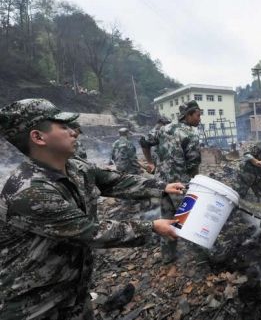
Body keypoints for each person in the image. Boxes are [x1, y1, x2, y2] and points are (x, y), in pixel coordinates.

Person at [0, 98, 186, 320]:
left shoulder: (75, 167)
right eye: (64, 127)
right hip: (34, 305)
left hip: (73, 292)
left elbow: (114, 181)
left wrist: (161, 186)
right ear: (38, 137)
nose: (74, 132)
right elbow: (90, 232)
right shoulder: (28, 191)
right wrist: (152, 227)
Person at [140, 100, 202, 264]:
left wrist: (150, 163)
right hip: (180, 185)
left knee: (167, 217)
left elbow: (144, 141)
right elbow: (193, 165)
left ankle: (168, 256)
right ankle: (202, 255)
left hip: (162, 184)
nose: (200, 119)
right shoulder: (190, 134)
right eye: (198, 115)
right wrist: (198, 185)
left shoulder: (162, 129)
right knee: (191, 218)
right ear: (188, 115)